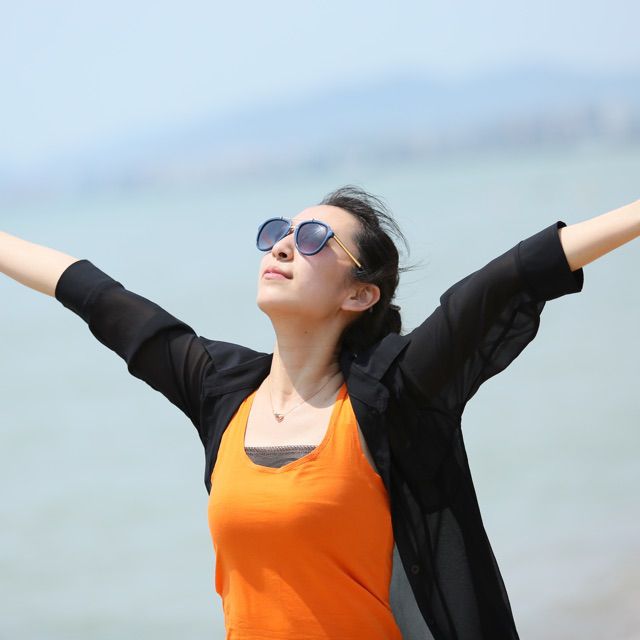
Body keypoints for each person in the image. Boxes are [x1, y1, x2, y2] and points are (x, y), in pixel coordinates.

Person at [2, 185, 638, 639]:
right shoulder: (221, 390)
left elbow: (509, 279)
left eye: (312, 240)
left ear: (360, 295)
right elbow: (97, 296)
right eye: (279, 233)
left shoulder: (392, 395)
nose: (283, 247)